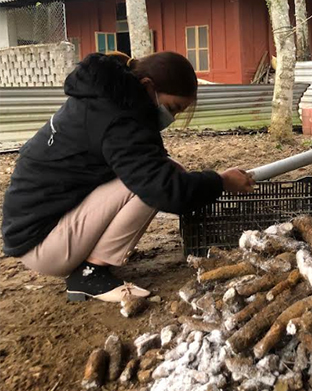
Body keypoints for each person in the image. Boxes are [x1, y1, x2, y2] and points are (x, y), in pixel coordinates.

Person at [1, 51, 255, 302]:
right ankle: (90, 274)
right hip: (42, 245)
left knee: (164, 169)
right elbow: (164, 190)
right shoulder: (119, 119)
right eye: (173, 107)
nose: (172, 117)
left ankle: (92, 260)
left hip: (39, 229)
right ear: (147, 85)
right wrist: (221, 182)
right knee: (150, 185)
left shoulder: (108, 99)